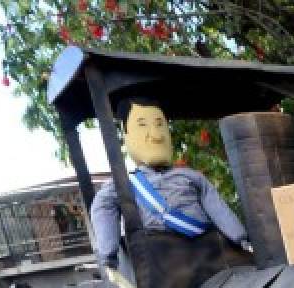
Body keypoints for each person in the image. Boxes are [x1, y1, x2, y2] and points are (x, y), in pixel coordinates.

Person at [90, 97, 251, 266]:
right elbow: (103, 206)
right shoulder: (124, 184)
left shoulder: (191, 176)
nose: (156, 135)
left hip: (207, 249)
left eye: (160, 124)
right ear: (127, 133)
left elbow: (216, 205)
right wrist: (109, 251)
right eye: (142, 125)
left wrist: (239, 236)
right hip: (162, 258)